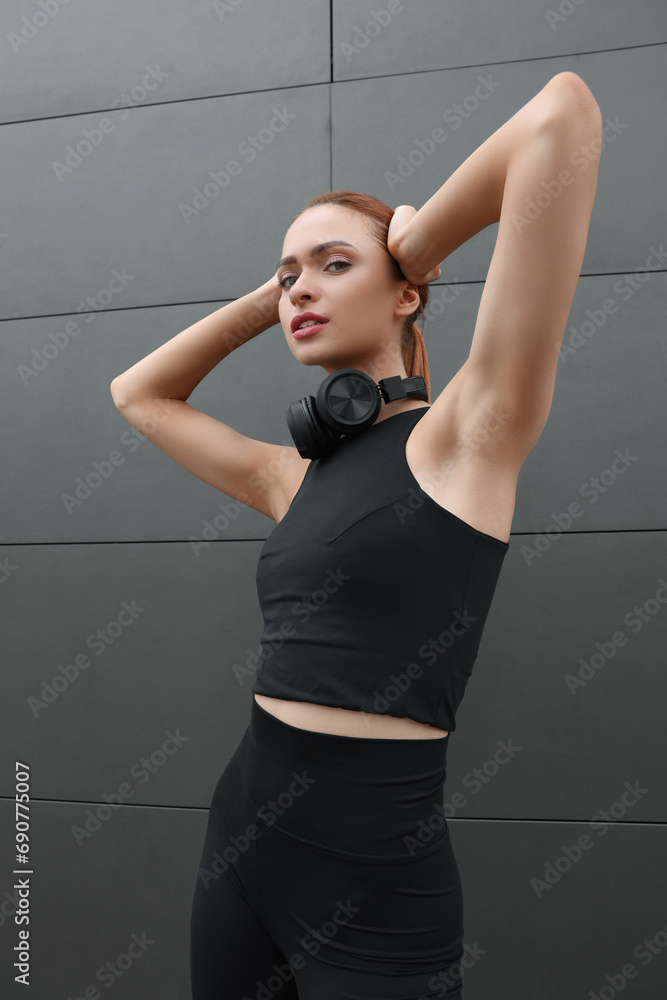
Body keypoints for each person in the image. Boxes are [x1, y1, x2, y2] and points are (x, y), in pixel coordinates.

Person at [110, 71, 601, 999]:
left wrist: (414, 241)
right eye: (289, 270)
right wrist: (274, 296)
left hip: (375, 878)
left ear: (408, 293)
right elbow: (137, 395)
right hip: (242, 839)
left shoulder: (467, 437)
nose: (302, 288)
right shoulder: (294, 477)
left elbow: (561, 115)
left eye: (335, 265)